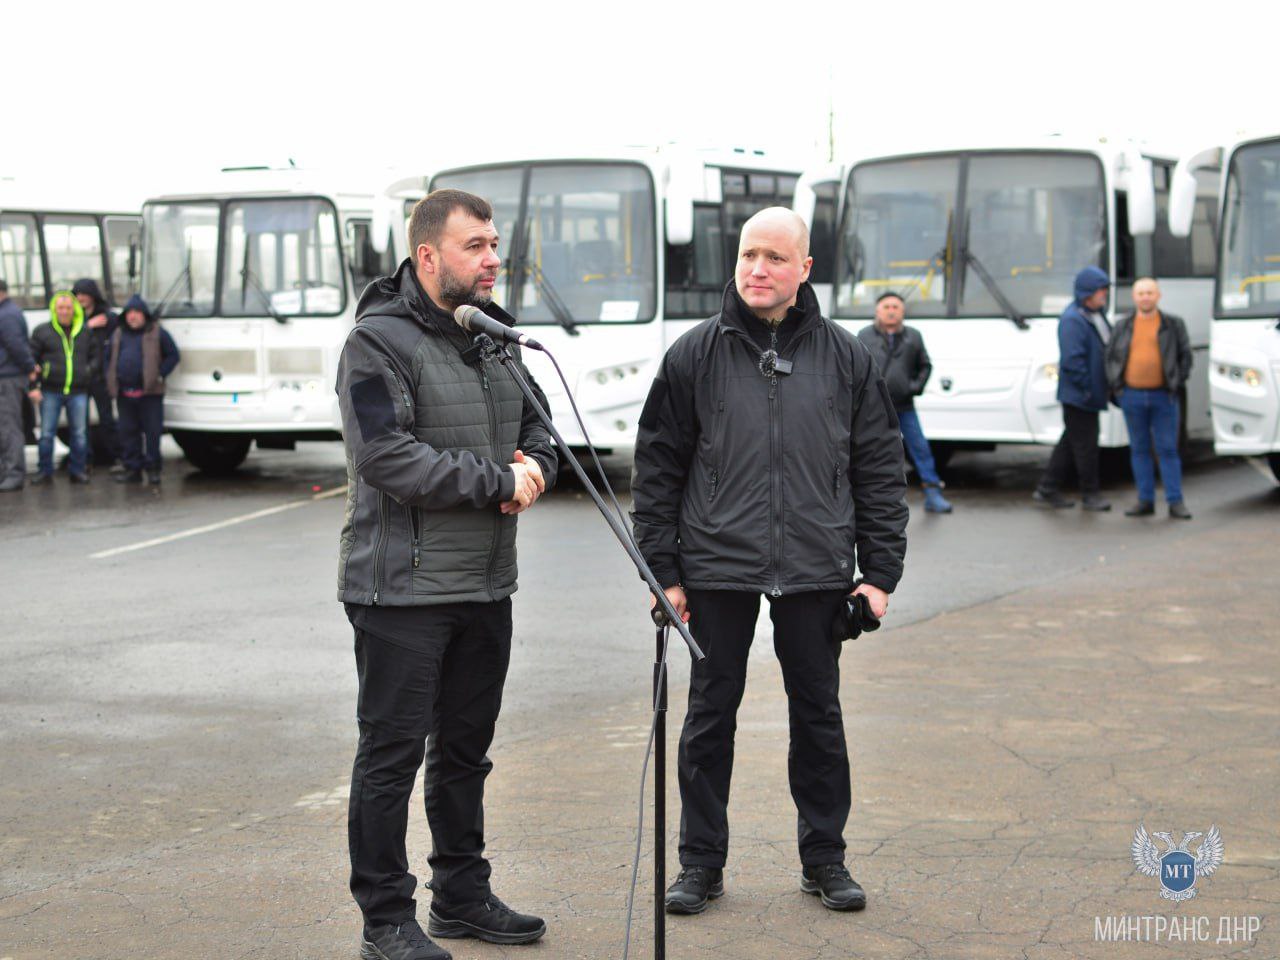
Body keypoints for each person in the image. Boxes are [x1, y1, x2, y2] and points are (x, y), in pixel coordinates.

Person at [632, 207, 909, 916]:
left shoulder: (849, 358)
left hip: (817, 566)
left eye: (775, 258)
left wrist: (879, 575)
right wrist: (663, 571)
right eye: (749, 254)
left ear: (805, 269)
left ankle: (825, 860)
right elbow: (658, 470)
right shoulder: (694, 354)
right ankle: (700, 865)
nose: (758, 269)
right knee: (708, 719)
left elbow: (879, 468)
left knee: (818, 717)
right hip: (714, 567)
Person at [336, 189, 557, 960]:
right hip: (401, 589)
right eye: (475, 245)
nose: (493, 258)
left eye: (495, 243)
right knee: (391, 756)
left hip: (485, 585)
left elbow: (540, 427)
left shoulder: (493, 336)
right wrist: (500, 482)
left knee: (466, 751)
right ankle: (385, 921)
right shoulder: (375, 343)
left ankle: (460, 895)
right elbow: (384, 456)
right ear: (429, 255)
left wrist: (537, 466)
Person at [1106, 277, 1194, 519]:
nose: (1145, 297)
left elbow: (1185, 356)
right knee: (1139, 449)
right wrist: (1118, 388)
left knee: (1167, 449)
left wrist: (1175, 382)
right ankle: (1145, 500)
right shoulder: (1123, 326)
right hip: (1131, 396)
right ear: (1134, 297)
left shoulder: (1173, 325)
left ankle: (1175, 501)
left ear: (1158, 296)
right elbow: (1111, 356)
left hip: (1164, 397)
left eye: (1150, 292)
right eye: (1141, 293)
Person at [857, 291, 953, 513]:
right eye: (887, 307)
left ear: (902, 311)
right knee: (870, 452)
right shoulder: (865, 335)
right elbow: (855, 367)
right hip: (875, 408)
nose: (891, 311)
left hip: (905, 406)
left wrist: (914, 387)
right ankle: (871, 499)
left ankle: (933, 494)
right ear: (877, 311)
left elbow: (925, 366)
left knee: (920, 449)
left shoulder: (913, 336)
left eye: (896, 307)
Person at [1033, 266, 1113, 511]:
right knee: (1086, 448)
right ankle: (1090, 495)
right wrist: (1088, 390)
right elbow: (1072, 361)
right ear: (1088, 292)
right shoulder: (1073, 319)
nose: (1105, 295)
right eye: (1101, 290)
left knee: (1070, 443)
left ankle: (1047, 488)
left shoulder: (1094, 314)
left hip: (1087, 394)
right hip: (1080, 397)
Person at [105, 295, 179, 485]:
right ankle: (132, 469)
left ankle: (153, 469)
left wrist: (160, 374)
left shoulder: (157, 333)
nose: (133, 317)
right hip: (124, 393)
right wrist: (111, 376)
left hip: (150, 394)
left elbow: (173, 355)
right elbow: (108, 358)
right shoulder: (118, 333)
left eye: (137, 313)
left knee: (152, 433)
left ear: (144, 315)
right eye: (129, 313)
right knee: (128, 432)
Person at [29, 292, 98, 484]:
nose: (64, 312)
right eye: (60, 308)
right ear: (54, 310)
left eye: (68, 308)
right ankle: (45, 471)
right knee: (46, 434)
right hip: (50, 390)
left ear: (73, 309)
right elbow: (31, 360)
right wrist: (33, 386)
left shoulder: (84, 331)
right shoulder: (42, 331)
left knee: (79, 434)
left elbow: (96, 356)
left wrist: (88, 370)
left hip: (78, 391)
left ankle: (78, 470)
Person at [72, 278, 121, 469]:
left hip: (101, 376)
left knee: (107, 419)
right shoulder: (74, 319)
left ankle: (116, 456)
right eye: (77, 294)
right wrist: (88, 326)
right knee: (80, 423)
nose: (81, 298)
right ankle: (85, 459)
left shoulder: (108, 318)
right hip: (81, 377)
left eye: (84, 294)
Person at [0, 279, 36, 491]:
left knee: (9, 428)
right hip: (7, 376)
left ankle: (14, 474)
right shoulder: (7, 313)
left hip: (8, 378)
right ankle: (7, 472)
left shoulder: (7, 315)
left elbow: (16, 345)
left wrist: (30, 367)